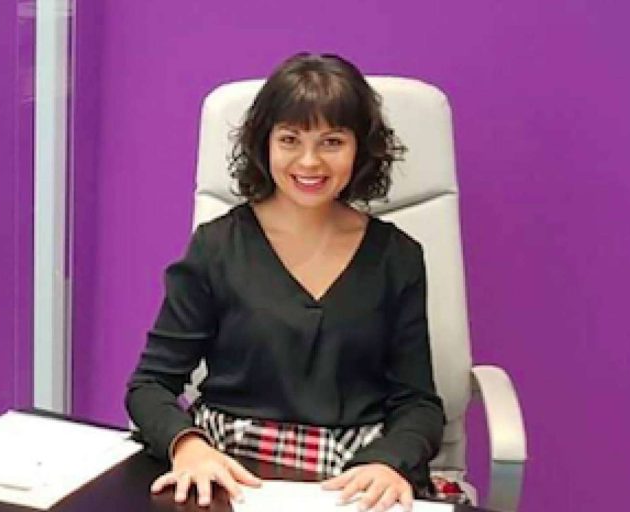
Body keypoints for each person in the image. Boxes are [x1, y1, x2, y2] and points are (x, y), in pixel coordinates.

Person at [126, 53, 445, 512]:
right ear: (265, 145)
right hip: (228, 469)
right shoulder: (217, 247)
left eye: (332, 141)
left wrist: (388, 462)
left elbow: (419, 405)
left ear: (361, 149)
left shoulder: (398, 257)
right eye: (290, 139)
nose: (309, 162)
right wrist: (188, 446)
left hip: (354, 477)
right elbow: (149, 385)